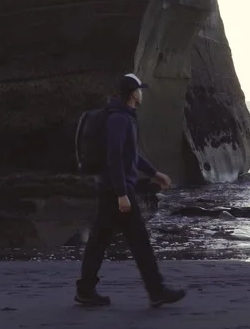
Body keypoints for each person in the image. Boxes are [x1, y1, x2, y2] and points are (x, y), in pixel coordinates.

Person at [75, 73, 186, 308]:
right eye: (140, 90)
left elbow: (131, 155)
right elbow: (114, 157)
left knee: (99, 241)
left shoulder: (123, 117)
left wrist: (155, 173)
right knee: (139, 242)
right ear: (134, 94)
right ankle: (156, 291)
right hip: (116, 191)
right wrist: (122, 194)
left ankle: (86, 290)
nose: (142, 93)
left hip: (113, 189)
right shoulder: (119, 120)